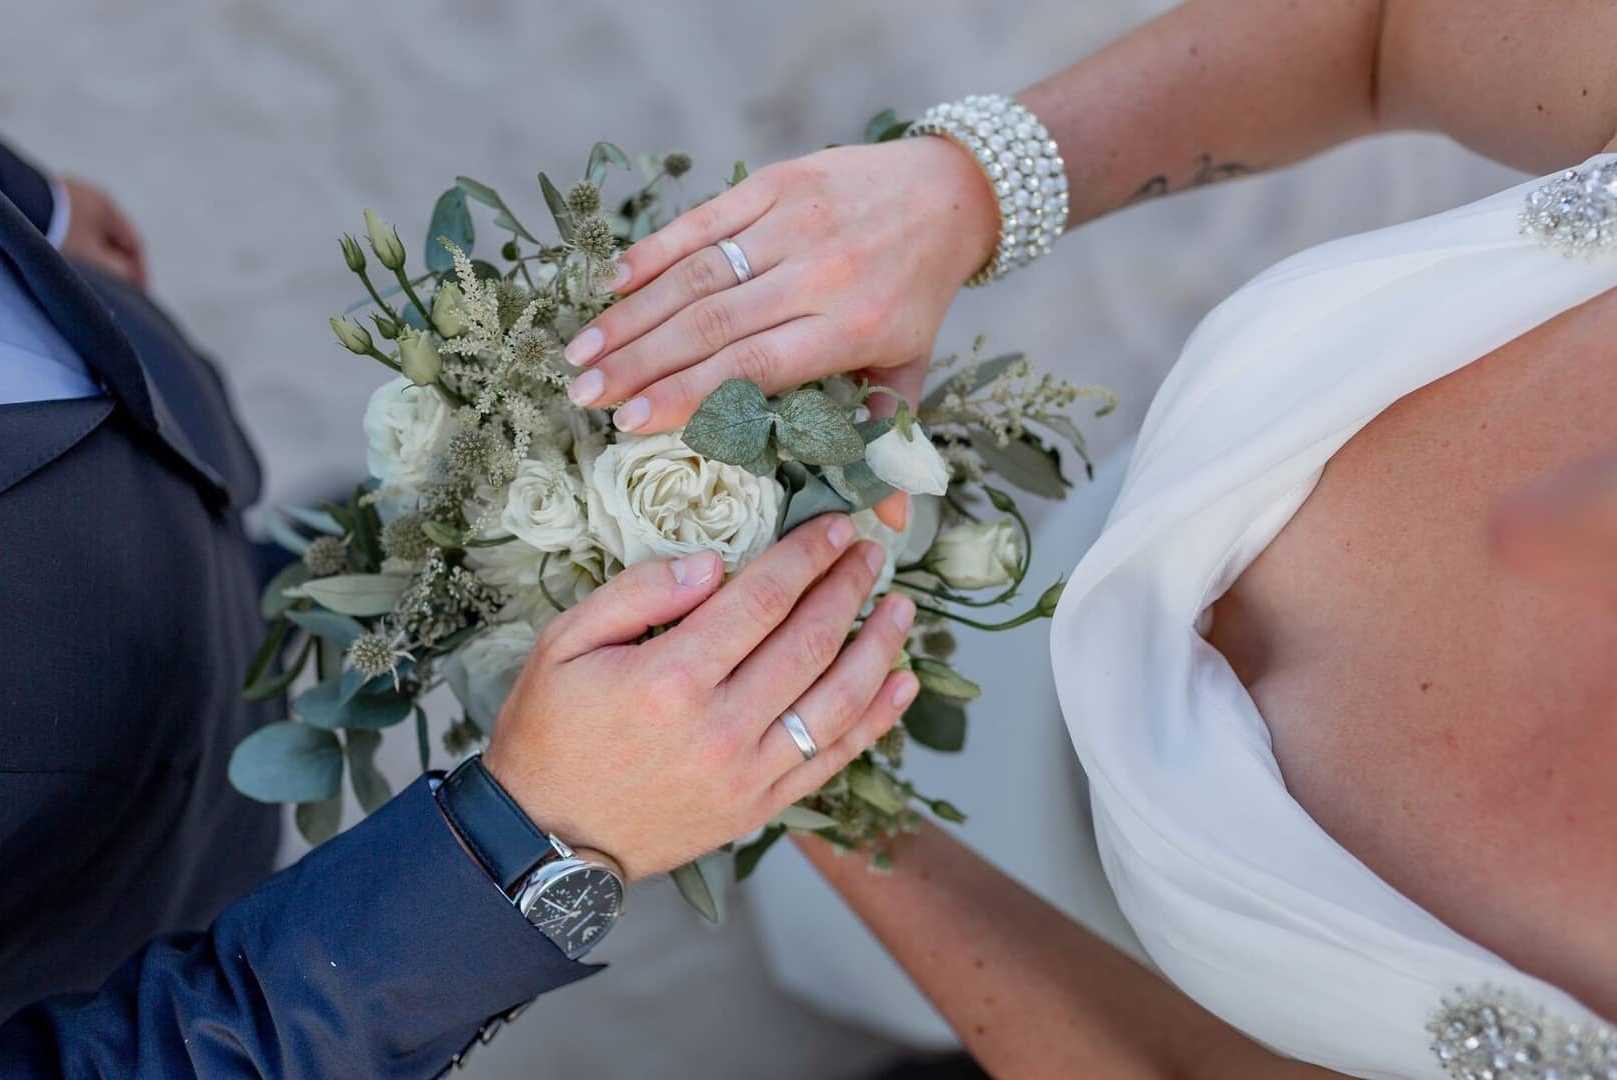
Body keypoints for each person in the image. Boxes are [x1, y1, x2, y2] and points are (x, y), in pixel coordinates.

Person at [0, 5, 921, 1077]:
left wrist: (7, 200)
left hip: (121, 410)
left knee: (319, 575)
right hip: (75, 858)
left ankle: (327, 590)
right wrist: (518, 847)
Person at [567, 1, 1617, 1074]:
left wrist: (828, 800)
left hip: (1068, 955)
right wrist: (963, 190)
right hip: (1018, 593)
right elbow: (1384, 38)